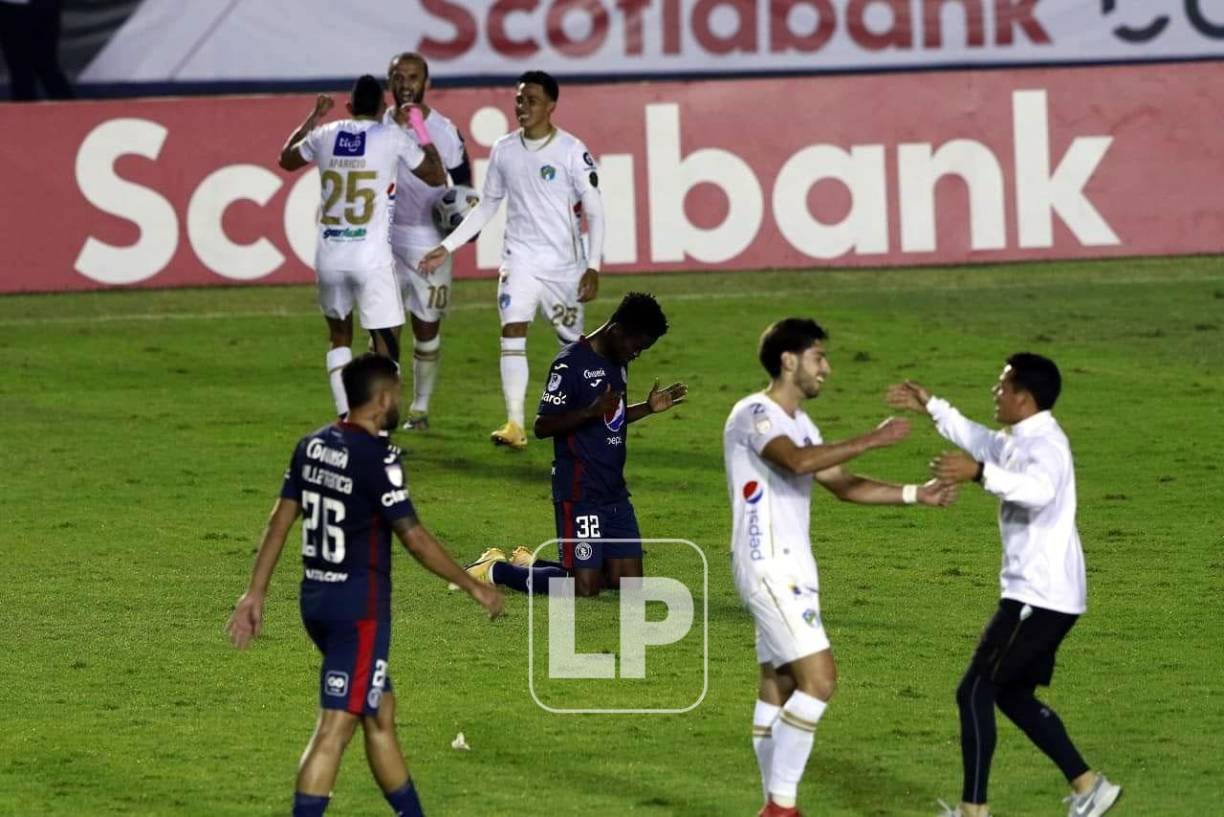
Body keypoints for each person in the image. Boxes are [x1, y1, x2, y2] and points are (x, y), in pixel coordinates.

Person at [226, 353, 504, 817]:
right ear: (381, 399)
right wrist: (473, 585)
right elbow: (413, 538)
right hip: (359, 610)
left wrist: (254, 592)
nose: (398, 399)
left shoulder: (312, 445)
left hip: (316, 599)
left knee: (380, 711)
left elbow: (280, 520)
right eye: (396, 392)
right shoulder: (379, 457)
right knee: (336, 725)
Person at [724, 318, 956, 817]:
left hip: (793, 568)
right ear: (789, 360)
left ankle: (774, 803)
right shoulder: (755, 413)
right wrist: (871, 439)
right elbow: (795, 463)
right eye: (818, 357)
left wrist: (918, 494)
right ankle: (780, 809)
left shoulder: (804, 426)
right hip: (769, 566)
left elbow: (843, 484)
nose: (826, 368)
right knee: (820, 680)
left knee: (780, 685)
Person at [886, 356, 1122, 817]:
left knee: (973, 691)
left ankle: (974, 810)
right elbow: (981, 440)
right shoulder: (1021, 438)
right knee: (1010, 694)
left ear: (1024, 397)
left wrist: (978, 473)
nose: (995, 392)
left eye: (1002, 385)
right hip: (1046, 593)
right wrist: (932, 406)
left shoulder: (1046, 447)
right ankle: (1090, 786)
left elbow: (1037, 491)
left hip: (1037, 596)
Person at [418, 69, 604, 451]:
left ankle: (591, 412)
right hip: (518, 260)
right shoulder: (504, 149)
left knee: (572, 343)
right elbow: (486, 205)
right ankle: (515, 423)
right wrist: (448, 246)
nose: (523, 106)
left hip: (563, 265)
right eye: (519, 99)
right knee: (512, 331)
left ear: (551, 105)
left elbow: (595, 211)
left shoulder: (571, 150)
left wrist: (593, 265)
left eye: (532, 100)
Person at [463, 292, 685, 597]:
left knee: (626, 583)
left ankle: (533, 564)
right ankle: (495, 569)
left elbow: (612, 417)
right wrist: (589, 411)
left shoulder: (618, 362)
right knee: (585, 587)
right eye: (636, 346)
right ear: (616, 331)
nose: (637, 354)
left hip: (614, 491)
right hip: (581, 492)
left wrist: (646, 408)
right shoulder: (570, 364)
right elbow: (543, 426)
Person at [278, 74, 445, 420]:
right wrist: (419, 125)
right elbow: (435, 174)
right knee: (385, 343)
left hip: (330, 256)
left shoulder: (325, 134)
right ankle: (380, 421)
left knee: (339, 336)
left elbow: (286, 159)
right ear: (383, 107)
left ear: (350, 107)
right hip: (370, 259)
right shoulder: (392, 137)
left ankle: (345, 417)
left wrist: (314, 115)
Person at [383, 52, 473, 431]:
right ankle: (384, 412)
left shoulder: (444, 131)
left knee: (426, 328)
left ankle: (419, 409)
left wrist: (461, 231)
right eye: (398, 76)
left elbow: (464, 187)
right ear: (389, 83)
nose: (406, 83)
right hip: (383, 240)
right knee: (383, 329)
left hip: (427, 243)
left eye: (413, 76)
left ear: (427, 83)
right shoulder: (376, 126)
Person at [0, 0, 74, 101]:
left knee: (45, 64)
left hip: (41, 7)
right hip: (11, 9)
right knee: (20, 68)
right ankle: (24, 110)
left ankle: (71, 108)